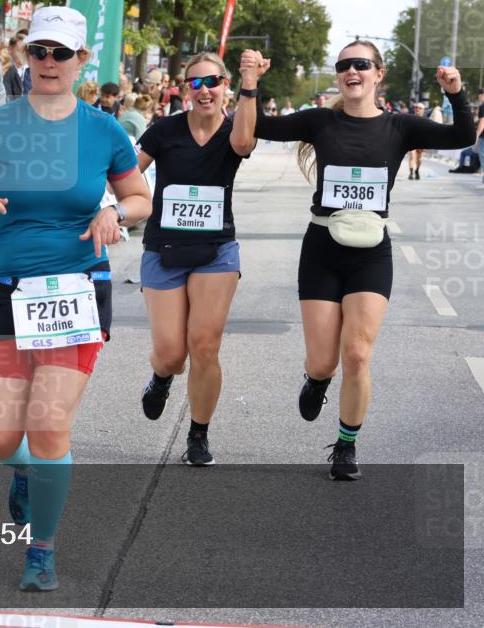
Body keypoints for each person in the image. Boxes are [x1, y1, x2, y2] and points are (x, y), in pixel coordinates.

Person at [0, 5, 151, 591]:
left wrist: (115, 210)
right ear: (23, 55)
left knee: (50, 426)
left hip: (76, 289)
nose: (50, 62)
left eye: (62, 52)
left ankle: (42, 550)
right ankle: (28, 473)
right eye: (40, 51)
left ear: (83, 60)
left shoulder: (105, 129)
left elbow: (139, 197)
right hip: (4, 290)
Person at [233, 42, 475, 480]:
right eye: (344, 65)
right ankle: (317, 380)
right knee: (324, 360)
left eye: (361, 64)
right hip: (323, 249)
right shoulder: (319, 121)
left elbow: (462, 137)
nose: (351, 71)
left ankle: (346, 445)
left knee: (358, 355)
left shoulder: (400, 127)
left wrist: (456, 93)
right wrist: (249, 84)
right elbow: (257, 129)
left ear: (378, 74)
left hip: (371, 253)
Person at [136, 52, 253, 466]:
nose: (204, 90)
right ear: (186, 89)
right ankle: (162, 376)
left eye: (213, 81)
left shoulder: (235, 131)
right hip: (164, 249)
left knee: (204, 345)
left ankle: (198, 435)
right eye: (196, 83)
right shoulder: (164, 130)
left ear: (225, 86)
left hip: (216, 251)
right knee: (172, 353)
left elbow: (243, 144)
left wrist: (251, 82)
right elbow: (129, 174)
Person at [408, 102, 426, 179]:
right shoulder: (411, 118)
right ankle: (411, 173)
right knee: (412, 156)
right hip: (411, 140)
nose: (417, 109)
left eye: (419, 108)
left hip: (421, 141)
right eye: (416, 107)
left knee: (419, 158)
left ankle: (417, 170)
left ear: (423, 110)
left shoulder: (425, 120)